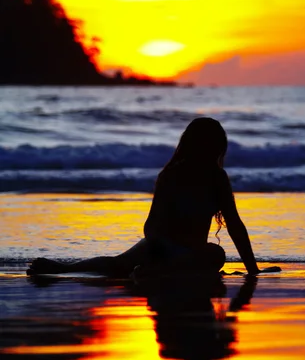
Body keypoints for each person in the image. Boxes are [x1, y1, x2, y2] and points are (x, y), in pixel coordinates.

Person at [27, 117, 262, 278]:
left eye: (214, 145)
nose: (209, 150)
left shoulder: (216, 178)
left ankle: (157, 271)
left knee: (214, 254)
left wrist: (253, 270)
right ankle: (63, 268)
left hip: (188, 255)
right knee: (116, 266)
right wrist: (160, 248)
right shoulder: (172, 175)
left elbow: (235, 225)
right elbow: (151, 226)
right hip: (160, 246)